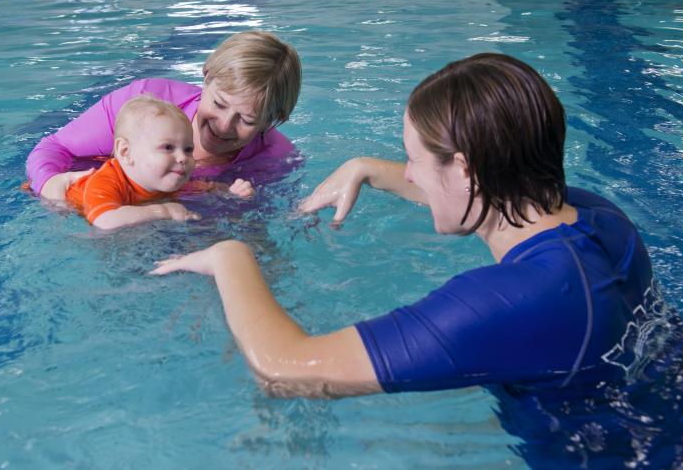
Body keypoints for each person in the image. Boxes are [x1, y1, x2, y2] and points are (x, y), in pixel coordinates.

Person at [149, 53, 655, 400]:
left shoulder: (514, 301)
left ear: (466, 170)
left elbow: (286, 371)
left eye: (412, 159)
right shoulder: (599, 217)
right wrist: (367, 168)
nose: (408, 172)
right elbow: (484, 197)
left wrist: (230, 256)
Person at [26, 30, 301, 201]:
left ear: (273, 119)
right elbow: (54, 147)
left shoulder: (277, 161)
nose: (224, 125)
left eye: (247, 120)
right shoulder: (145, 105)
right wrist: (49, 182)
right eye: (218, 104)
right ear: (206, 77)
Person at [64, 95, 254, 230]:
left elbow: (207, 188)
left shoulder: (169, 180)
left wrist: (231, 192)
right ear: (125, 152)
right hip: (57, 205)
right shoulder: (106, 181)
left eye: (188, 149)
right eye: (168, 148)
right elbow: (104, 221)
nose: (182, 158)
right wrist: (163, 211)